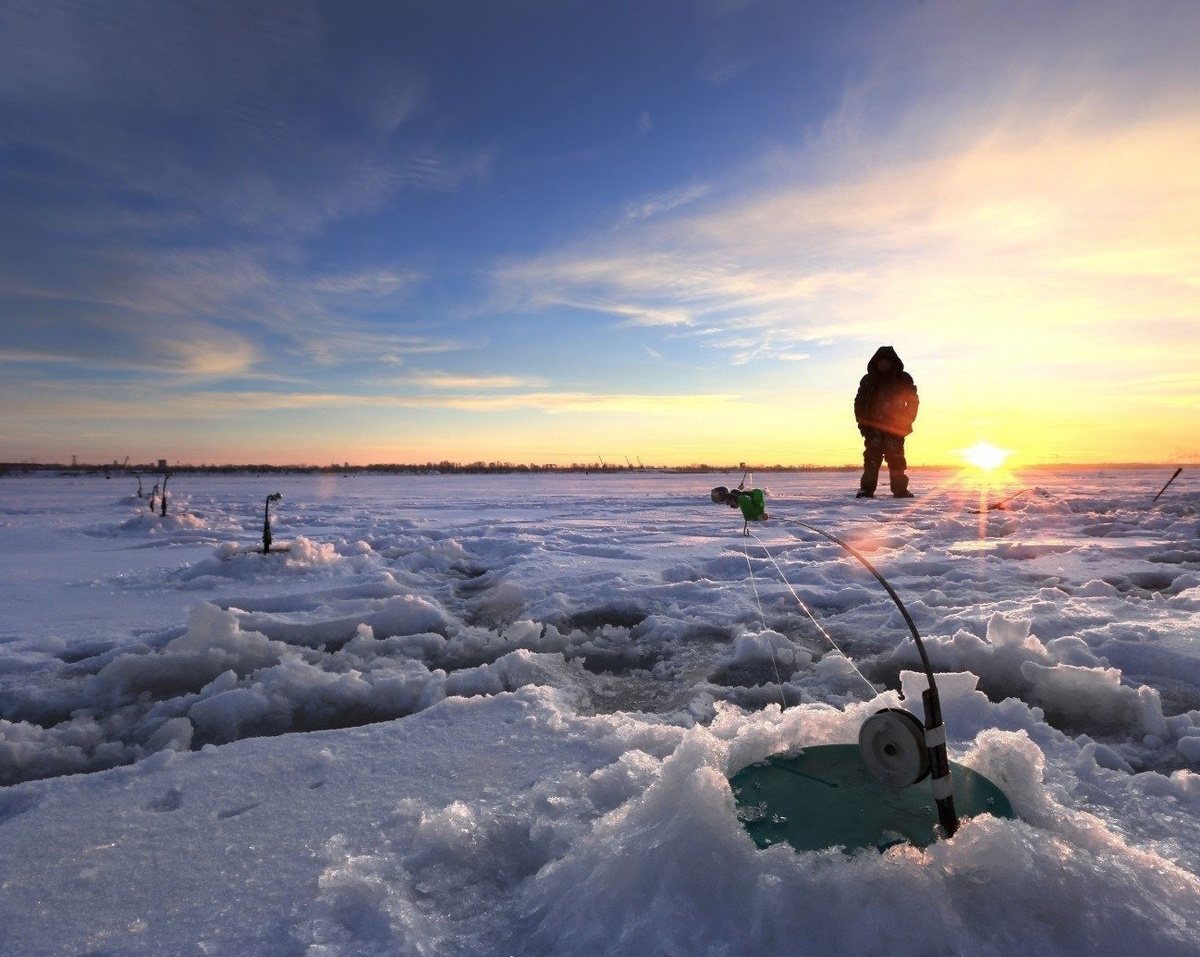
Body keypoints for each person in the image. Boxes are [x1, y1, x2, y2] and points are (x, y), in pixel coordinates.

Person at [854, 345, 918, 498]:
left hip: (895, 428)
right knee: (871, 457)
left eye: (887, 361)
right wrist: (862, 422)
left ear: (893, 363)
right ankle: (867, 489)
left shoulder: (903, 379)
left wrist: (906, 421)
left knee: (896, 457)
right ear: (876, 363)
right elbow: (859, 401)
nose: (883, 364)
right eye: (880, 361)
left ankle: (900, 490)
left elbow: (913, 401)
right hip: (873, 427)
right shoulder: (869, 380)